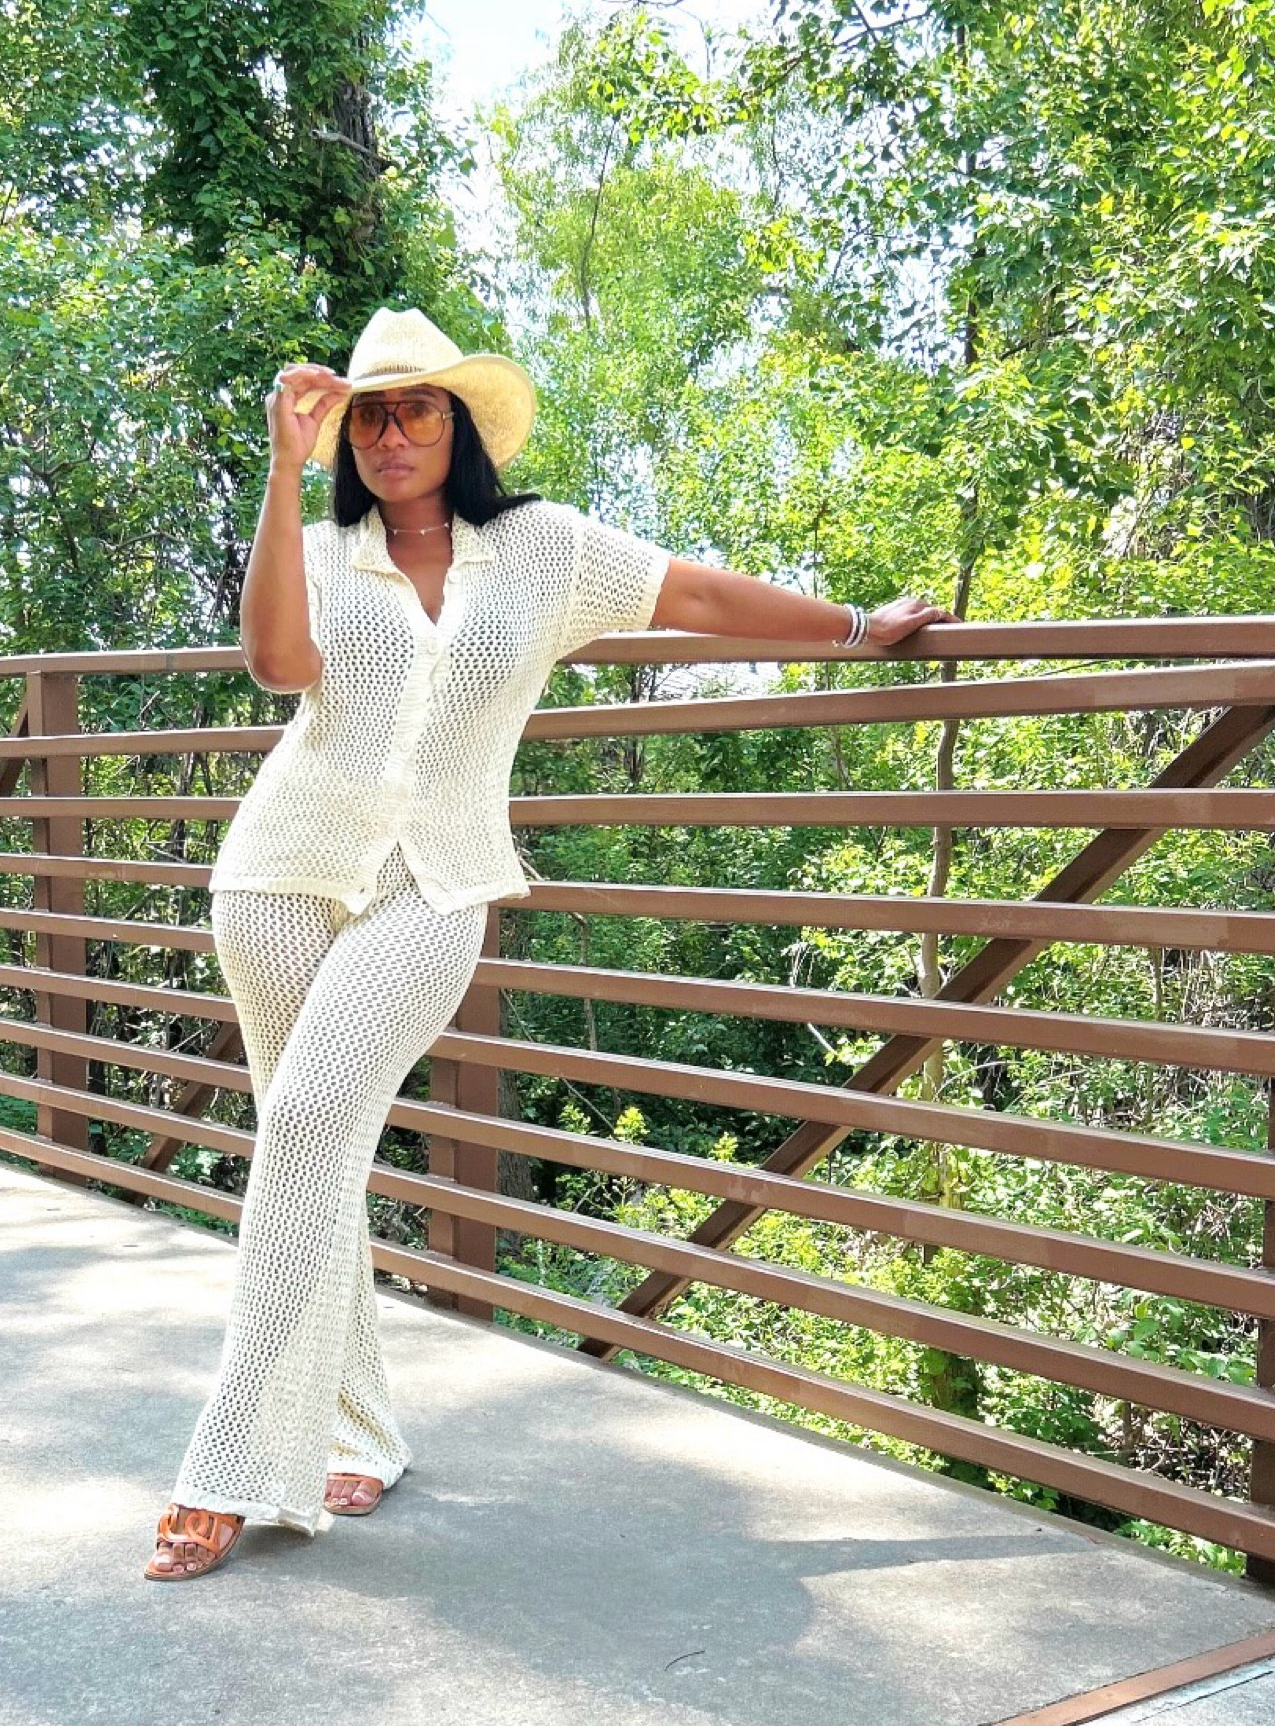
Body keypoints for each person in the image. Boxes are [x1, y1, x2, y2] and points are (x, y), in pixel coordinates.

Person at [144, 306, 954, 1580]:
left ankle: (230, 1461)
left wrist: (856, 626)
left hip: (440, 884)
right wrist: (280, 468)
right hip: (278, 875)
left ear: (459, 424)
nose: (391, 430)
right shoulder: (313, 544)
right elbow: (272, 662)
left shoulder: (544, 552)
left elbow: (694, 594)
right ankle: (357, 1425)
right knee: (316, 1144)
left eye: (415, 407)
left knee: (305, 1125)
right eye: (367, 414)